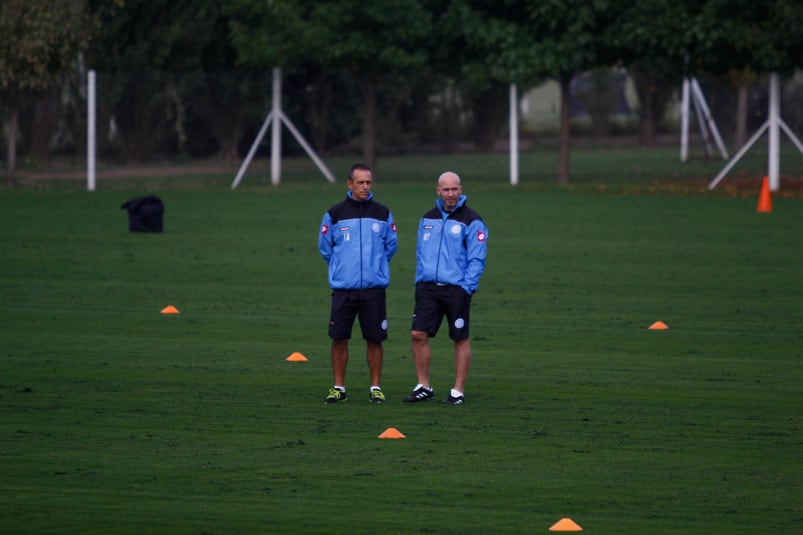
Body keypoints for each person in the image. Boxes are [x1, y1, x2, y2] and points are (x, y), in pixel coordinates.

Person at [404, 171, 488, 405]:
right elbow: (421, 252)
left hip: (456, 290)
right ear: (438, 191)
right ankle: (424, 385)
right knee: (417, 334)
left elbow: (477, 259)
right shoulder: (427, 218)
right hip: (428, 288)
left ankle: (457, 391)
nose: (450, 194)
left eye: (454, 189)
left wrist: (466, 288)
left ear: (461, 190)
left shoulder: (472, 221)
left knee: (459, 338)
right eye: (446, 189)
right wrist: (420, 280)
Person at [319, 163, 397, 404]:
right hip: (344, 289)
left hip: (373, 289)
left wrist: (376, 267)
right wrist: (342, 267)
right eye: (360, 182)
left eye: (368, 182)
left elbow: (390, 246)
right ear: (349, 184)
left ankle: (375, 388)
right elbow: (325, 248)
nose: (365, 187)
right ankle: (339, 388)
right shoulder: (334, 214)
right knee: (339, 338)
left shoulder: (383, 213)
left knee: (374, 339)